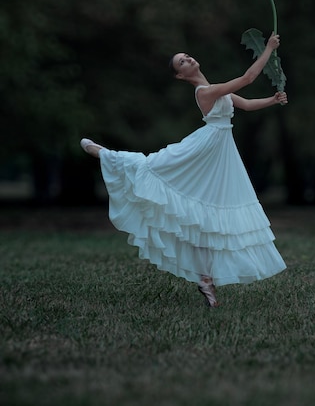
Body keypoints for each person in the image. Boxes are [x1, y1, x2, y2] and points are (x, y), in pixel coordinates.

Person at [81, 33, 287, 308]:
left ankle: (206, 278)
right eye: (182, 61)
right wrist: (269, 49)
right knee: (151, 165)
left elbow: (247, 104)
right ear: (181, 75)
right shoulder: (204, 92)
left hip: (222, 153)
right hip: (205, 147)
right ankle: (105, 154)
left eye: (186, 56)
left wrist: (272, 100)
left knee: (206, 213)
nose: (188, 58)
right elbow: (248, 78)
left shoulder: (214, 87)